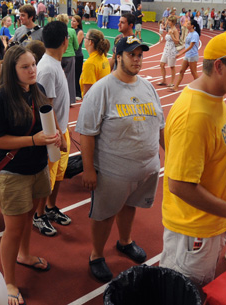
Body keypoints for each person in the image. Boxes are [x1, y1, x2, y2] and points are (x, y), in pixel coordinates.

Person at [160, 31, 226, 287]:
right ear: (219, 66)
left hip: (208, 225)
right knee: (182, 294)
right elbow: (179, 184)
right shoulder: (195, 116)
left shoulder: (213, 98)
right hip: (193, 234)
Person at [77, 35, 164, 283]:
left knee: (131, 205)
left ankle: (125, 241)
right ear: (118, 57)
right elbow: (87, 132)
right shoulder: (101, 90)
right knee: (104, 214)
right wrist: (88, 170)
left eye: (140, 55)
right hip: (112, 171)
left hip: (145, 169)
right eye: (131, 54)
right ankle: (96, 255)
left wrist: (173, 154)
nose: (137, 59)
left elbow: (160, 126)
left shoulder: (148, 87)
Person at [0, 45, 60, 305]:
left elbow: (46, 122)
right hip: (12, 173)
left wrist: (54, 136)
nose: (32, 70)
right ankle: (9, 281)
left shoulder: (36, 90)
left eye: (33, 64)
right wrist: (33, 139)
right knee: (13, 230)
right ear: (11, 69)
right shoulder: (0, 98)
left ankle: (25, 255)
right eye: (25, 67)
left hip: (37, 167)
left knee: (29, 217)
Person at [31, 21, 72, 237]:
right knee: (47, 178)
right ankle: (38, 216)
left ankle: (50, 207)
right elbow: (46, 107)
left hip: (60, 130)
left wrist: (64, 129)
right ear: (65, 41)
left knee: (58, 175)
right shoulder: (47, 68)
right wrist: (58, 134)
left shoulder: (54, 63)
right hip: (52, 133)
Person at [171, 19, 200, 92]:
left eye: (188, 24)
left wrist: (180, 54)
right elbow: (186, 45)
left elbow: (191, 46)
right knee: (181, 71)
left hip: (192, 56)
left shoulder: (195, 34)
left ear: (192, 26)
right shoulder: (189, 33)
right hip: (187, 55)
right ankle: (176, 87)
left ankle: (200, 88)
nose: (186, 25)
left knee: (193, 73)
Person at [55, 14, 78, 106]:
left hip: (58, 56)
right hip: (70, 56)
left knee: (57, 79)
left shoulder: (55, 31)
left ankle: (58, 99)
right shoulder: (72, 31)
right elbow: (76, 46)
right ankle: (70, 100)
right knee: (70, 79)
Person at [79, 29, 110, 96]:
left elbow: (88, 93)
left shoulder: (90, 64)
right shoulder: (103, 57)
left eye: (85, 38)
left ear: (90, 42)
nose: (84, 39)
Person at [159, 16, 179, 87]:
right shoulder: (170, 29)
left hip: (172, 50)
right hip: (166, 49)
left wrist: (171, 35)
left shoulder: (175, 30)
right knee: (161, 64)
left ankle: (172, 82)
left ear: (173, 22)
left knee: (172, 66)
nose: (168, 22)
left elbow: (177, 41)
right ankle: (164, 80)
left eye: (169, 21)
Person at [71, 15, 85, 100]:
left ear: (78, 23)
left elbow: (76, 45)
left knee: (76, 75)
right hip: (72, 55)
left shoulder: (79, 32)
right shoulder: (71, 30)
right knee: (71, 76)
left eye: (74, 21)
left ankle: (78, 93)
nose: (72, 22)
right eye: (71, 20)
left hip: (78, 56)